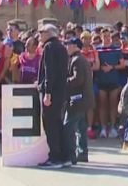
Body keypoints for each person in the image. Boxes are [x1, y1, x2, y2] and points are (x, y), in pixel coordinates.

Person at [36, 24, 70, 169]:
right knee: (58, 123)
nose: (39, 35)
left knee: (50, 124)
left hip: (52, 92)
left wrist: (47, 92)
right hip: (61, 91)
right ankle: (64, 156)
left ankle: (55, 157)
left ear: (49, 33)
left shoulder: (49, 47)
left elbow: (50, 71)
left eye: (41, 32)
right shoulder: (62, 47)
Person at [63, 37, 94, 163]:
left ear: (76, 46)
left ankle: (71, 155)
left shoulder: (76, 60)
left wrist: (63, 81)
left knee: (68, 126)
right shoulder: (81, 59)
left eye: (69, 45)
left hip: (77, 99)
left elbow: (78, 79)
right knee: (81, 127)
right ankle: (82, 153)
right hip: (84, 99)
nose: (67, 47)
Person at [95, 27, 125, 139]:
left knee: (113, 105)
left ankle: (112, 127)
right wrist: (100, 68)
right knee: (102, 105)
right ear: (101, 37)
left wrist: (112, 67)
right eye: (104, 36)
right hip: (101, 81)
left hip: (113, 81)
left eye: (108, 36)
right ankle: (103, 128)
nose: (107, 38)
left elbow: (122, 65)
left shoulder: (116, 49)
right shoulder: (97, 50)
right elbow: (96, 64)